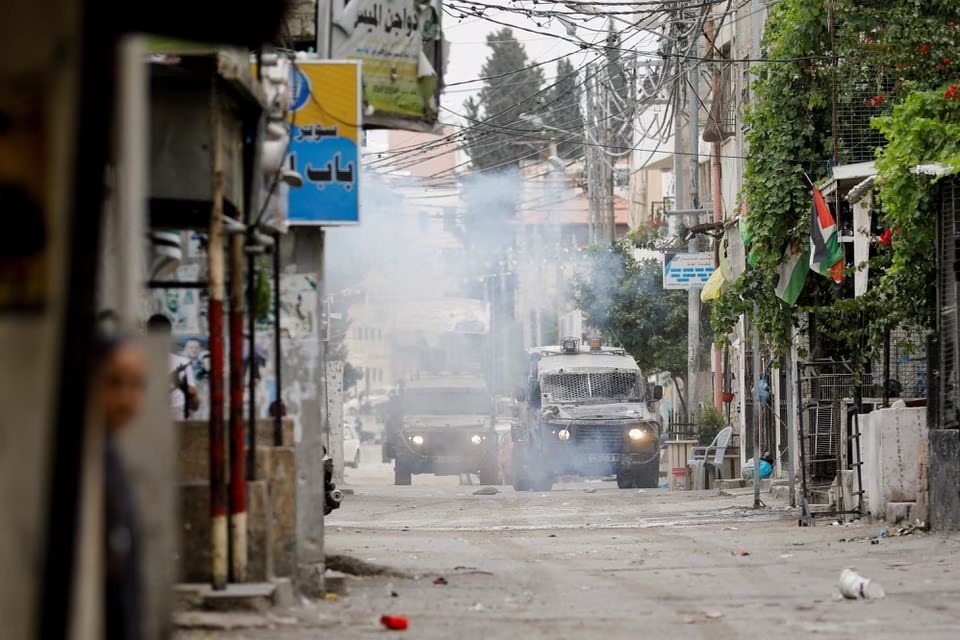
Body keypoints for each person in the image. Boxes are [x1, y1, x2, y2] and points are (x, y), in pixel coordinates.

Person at [93, 330, 147, 640]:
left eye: (136, 385)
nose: (127, 400)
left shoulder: (110, 455)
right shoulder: (92, 463)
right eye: (114, 382)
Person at [146, 314, 199, 418]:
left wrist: (193, 396)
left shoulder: (183, 363)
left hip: (179, 425)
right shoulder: (137, 365)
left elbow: (194, 407)